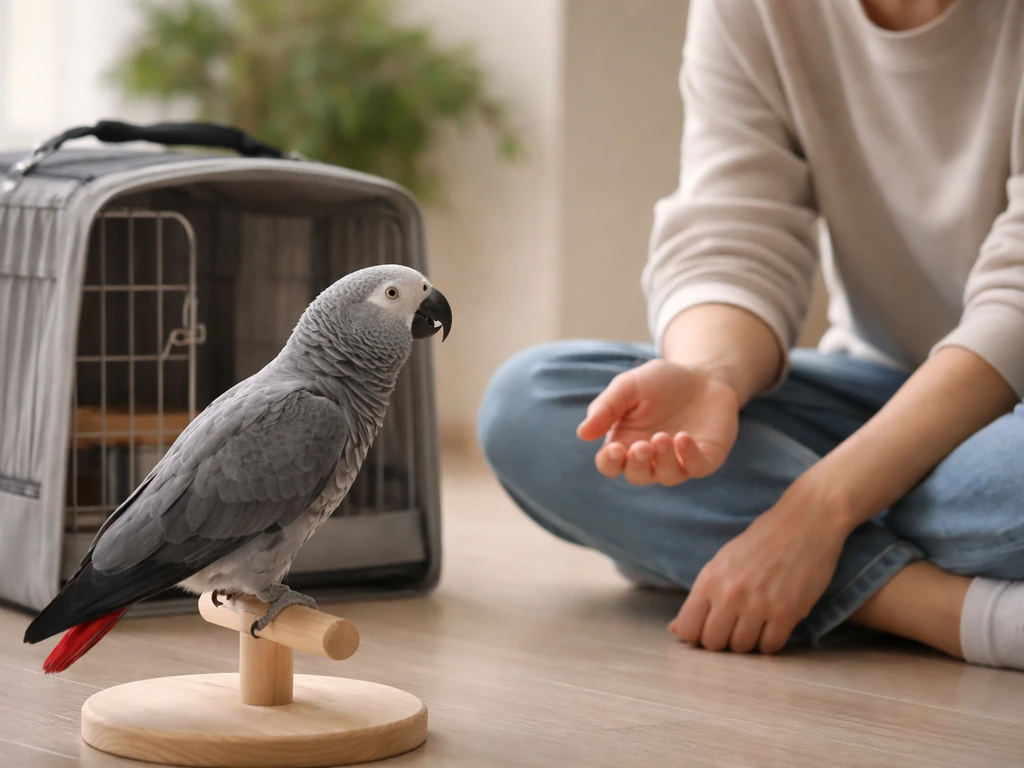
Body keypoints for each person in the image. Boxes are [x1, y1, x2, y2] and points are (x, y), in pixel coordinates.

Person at [476, 0, 1024, 672]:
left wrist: (821, 506)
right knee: (532, 407)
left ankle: (703, 541)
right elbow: (734, 228)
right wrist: (711, 375)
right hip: (883, 388)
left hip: (1006, 422)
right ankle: (949, 613)